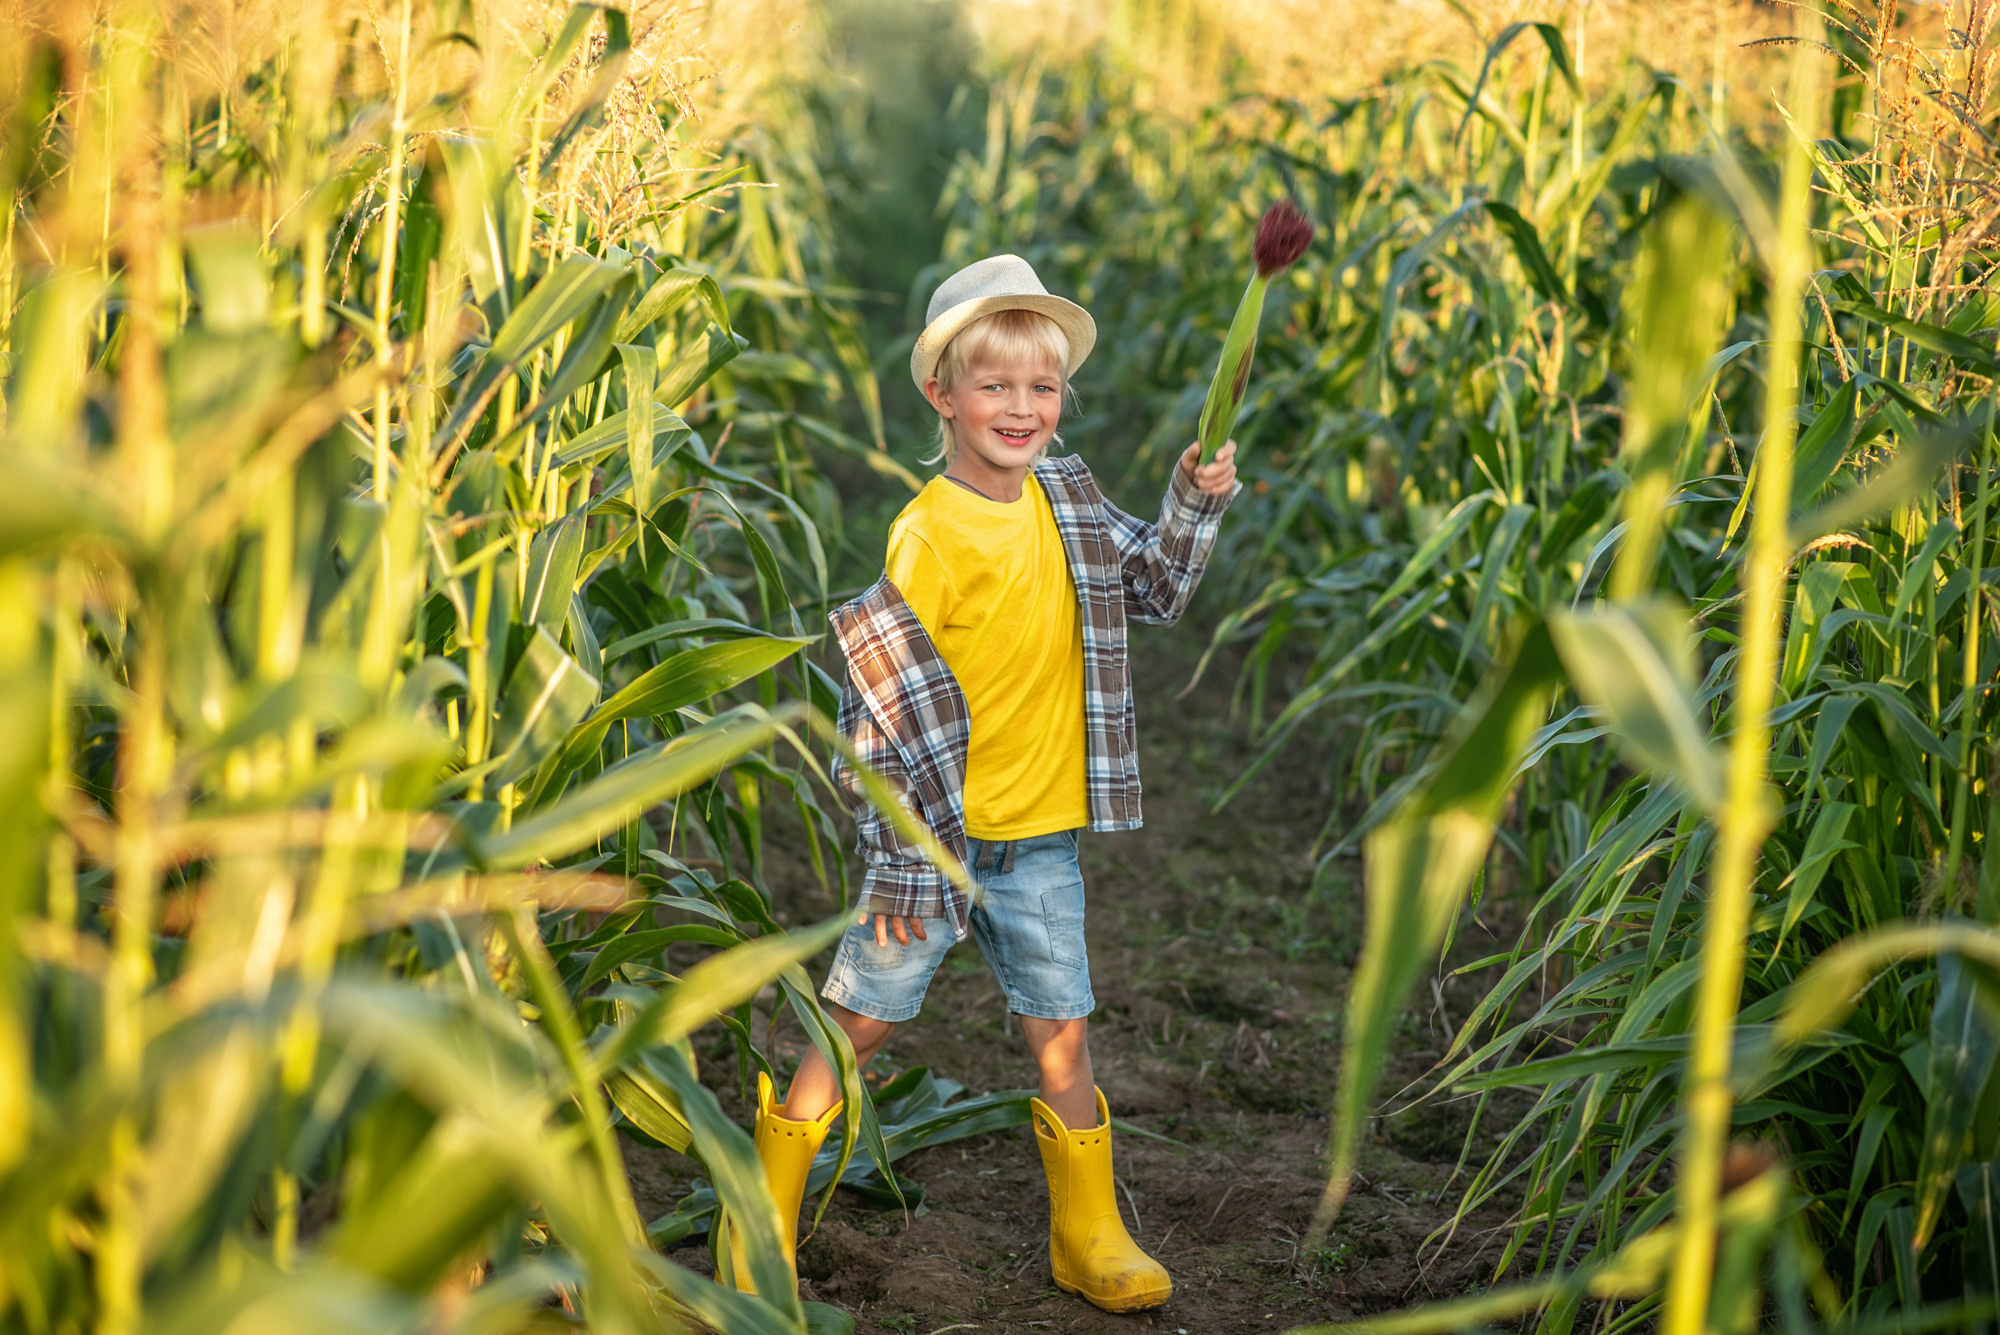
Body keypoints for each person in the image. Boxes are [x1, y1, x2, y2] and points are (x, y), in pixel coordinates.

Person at [720, 253, 1238, 1313]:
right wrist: (906, 858)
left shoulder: (1066, 496)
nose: (1020, 407)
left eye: (1040, 387)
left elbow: (1157, 587)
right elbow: (886, 715)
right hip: (934, 839)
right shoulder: (928, 533)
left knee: (1061, 1025)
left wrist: (1191, 498)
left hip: (1039, 837)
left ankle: (1084, 1231)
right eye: (994, 385)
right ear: (941, 395)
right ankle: (758, 1209)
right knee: (862, 1020)